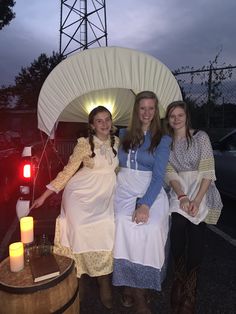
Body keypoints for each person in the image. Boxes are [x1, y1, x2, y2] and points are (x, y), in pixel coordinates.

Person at [31, 106, 119, 309]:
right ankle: (78, 278)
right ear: (92, 125)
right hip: (81, 191)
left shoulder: (118, 141)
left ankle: (103, 280)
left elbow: (119, 168)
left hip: (105, 193)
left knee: (107, 225)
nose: (104, 124)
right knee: (78, 227)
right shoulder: (84, 144)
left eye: (107, 119)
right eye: (99, 121)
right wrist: (45, 195)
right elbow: (68, 170)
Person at [112, 91, 171, 314]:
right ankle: (131, 285)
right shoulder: (124, 134)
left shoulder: (163, 139)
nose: (146, 113)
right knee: (122, 222)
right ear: (136, 110)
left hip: (150, 189)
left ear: (156, 112)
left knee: (151, 226)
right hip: (124, 187)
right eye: (142, 108)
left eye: (151, 108)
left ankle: (139, 287)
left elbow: (158, 177)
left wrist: (145, 203)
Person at [164, 101, 223, 314]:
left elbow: (207, 171)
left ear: (187, 116)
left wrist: (196, 201)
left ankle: (190, 288)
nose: (176, 119)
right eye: (172, 115)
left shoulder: (201, 137)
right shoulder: (167, 142)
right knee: (178, 225)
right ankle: (179, 278)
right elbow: (169, 172)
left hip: (201, 188)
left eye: (180, 115)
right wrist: (182, 197)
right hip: (179, 189)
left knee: (196, 232)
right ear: (168, 119)